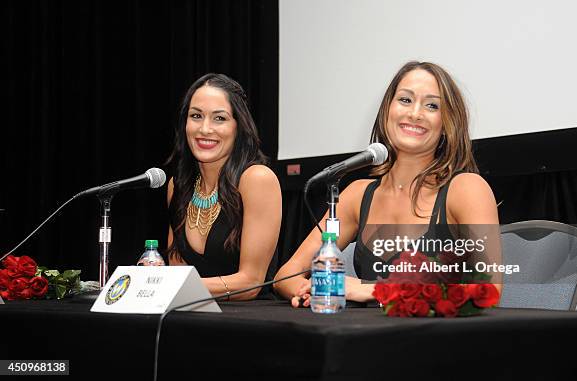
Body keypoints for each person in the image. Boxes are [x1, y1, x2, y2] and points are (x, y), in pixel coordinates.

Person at [273, 61, 501, 307]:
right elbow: (286, 276)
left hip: (438, 340)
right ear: (387, 111)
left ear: (447, 124)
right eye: (405, 100)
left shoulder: (466, 189)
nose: (415, 113)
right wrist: (311, 290)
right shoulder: (357, 196)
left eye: (432, 105)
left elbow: (488, 292)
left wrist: (376, 290)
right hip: (366, 338)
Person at [166, 73, 282, 300]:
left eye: (219, 118)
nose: (205, 129)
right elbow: (176, 271)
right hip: (189, 316)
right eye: (196, 116)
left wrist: (168, 286)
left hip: (248, 324)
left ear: (239, 126)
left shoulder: (257, 179)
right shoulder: (177, 185)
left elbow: (250, 282)